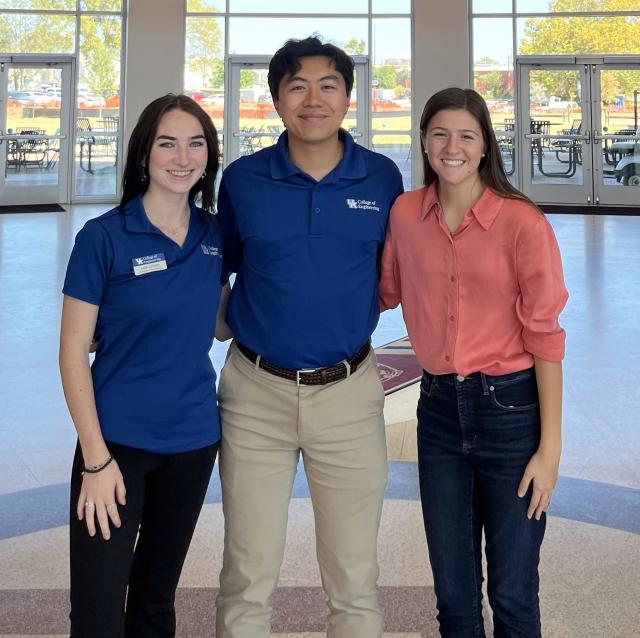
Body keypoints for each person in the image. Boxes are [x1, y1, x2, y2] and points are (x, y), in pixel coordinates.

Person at [214, 36, 405, 638]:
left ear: (349, 98)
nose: (313, 99)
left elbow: (399, 270)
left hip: (348, 394)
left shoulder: (381, 178)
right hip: (254, 395)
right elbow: (216, 267)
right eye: (297, 86)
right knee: (246, 575)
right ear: (276, 100)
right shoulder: (243, 180)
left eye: (328, 86)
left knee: (355, 580)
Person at [379, 87, 568, 637]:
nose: (452, 147)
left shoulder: (522, 222)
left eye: (466, 135)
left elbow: (546, 339)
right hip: (438, 409)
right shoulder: (405, 215)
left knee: (513, 594)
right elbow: (382, 291)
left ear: (486, 145)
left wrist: (549, 450)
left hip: (511, 412)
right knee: (454, 596)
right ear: (423, 141)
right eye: (440, 134)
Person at [59, 94, 227, 638]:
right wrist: (95, 460)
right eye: (167, 144)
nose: (183, 158)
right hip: (116, 446)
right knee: (98, 608)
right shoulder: (103, 237)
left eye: (196, 144)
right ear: (142, 155)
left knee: (155, 598)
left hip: (194, 440)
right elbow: (72, 352)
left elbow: (222, 324)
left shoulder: (214, 235)